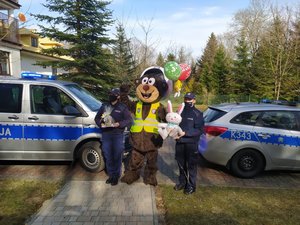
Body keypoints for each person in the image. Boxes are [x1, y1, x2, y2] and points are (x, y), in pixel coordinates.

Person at [94, 88, 133, 186]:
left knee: (117, 154)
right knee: (107, 154)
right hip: (106, 134)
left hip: (117, 135)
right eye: (109, 94)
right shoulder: (104, 106)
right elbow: (97, 118)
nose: (111, 96)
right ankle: (111, 175)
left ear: (118, 96)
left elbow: (129, 120)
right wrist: (101, 124)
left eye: (113, 94)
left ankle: (116, 175)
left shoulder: (122, 107)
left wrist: (119, 124)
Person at [173, 92, 204, 194]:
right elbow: (174, 125)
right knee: (181, 165)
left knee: (191, 166)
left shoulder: (198, 114)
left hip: (191, 144)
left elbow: (199, 130)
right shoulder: (179, 112)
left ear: (194, 100)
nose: (187, 101)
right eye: (186, 99)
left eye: (190, 99)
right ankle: (182, 182)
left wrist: (185, 133)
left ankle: (191, 186)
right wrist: (174, 134)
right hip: (180, 142)